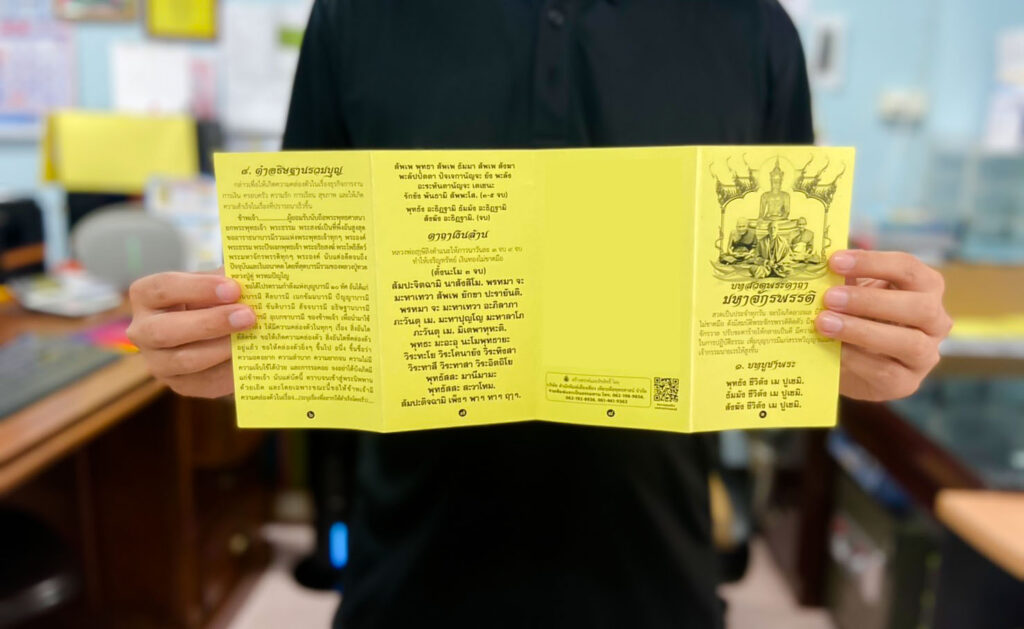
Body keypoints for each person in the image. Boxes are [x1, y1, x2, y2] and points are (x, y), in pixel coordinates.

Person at [126, 2, 952, 628]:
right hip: (409, 571)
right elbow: (303, 274)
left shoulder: (752, 26)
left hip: (656, 573)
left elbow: (786, 300)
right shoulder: (357, 15)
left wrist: (869, 337)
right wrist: (227, 341)